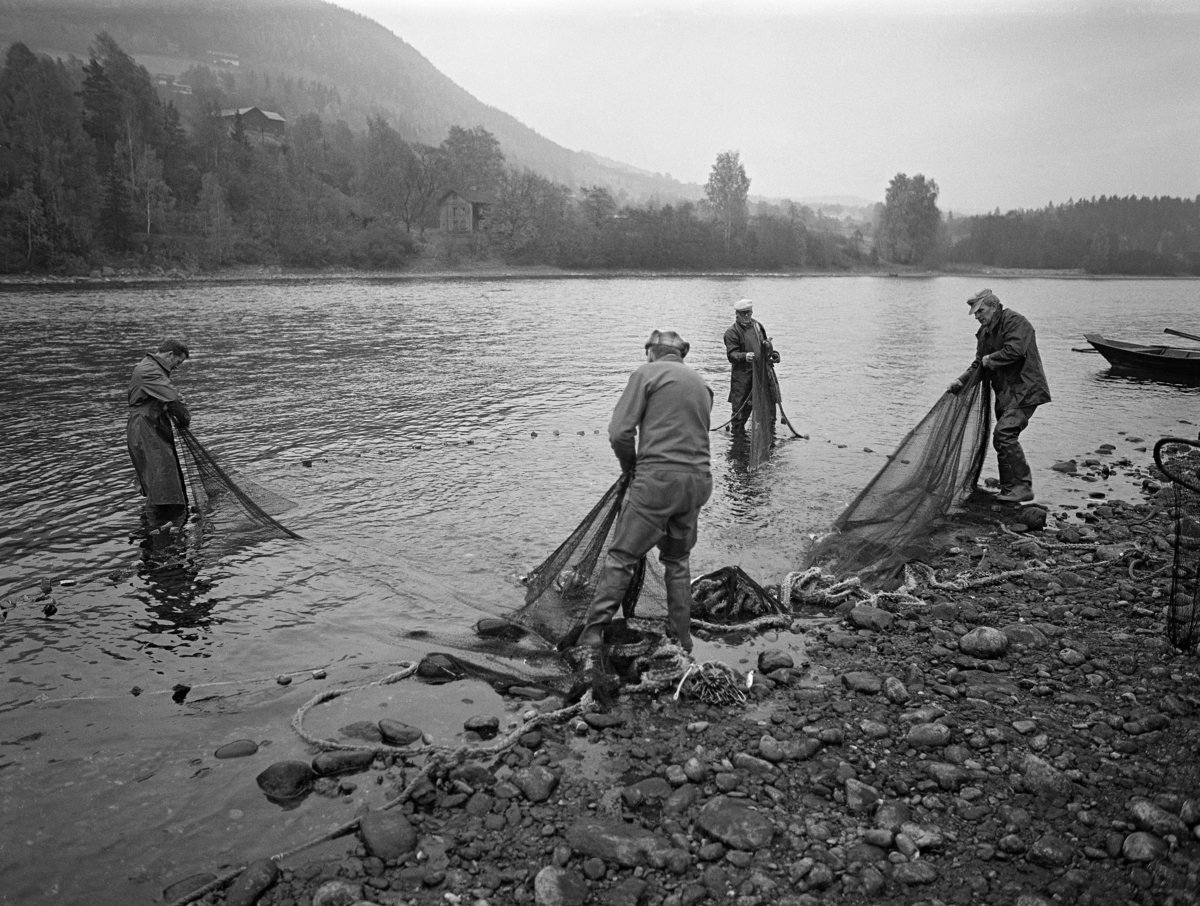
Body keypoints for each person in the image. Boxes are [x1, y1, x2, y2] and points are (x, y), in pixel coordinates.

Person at [573, 329, 713, 665]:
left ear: (651, 352)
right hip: (698, 482)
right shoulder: (702, 384)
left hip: (657, 482)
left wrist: (631, 467)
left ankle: (592, 634)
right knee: (677, 562)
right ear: (682, 354)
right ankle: (682, 638)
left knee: (622, 557)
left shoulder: (646, 373)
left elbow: (620, 432)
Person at [948, 289, 1050, 503]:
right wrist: (961, 382)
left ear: (994, 307)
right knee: (1001, 438)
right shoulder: (984, 332)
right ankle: (1008, 489)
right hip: (1005, 393)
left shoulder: (1014, 321)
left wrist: (989, 359)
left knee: (1004, 434)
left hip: (1026, 389)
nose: (977, 316)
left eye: (980, 311)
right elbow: (979, 364)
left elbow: (1016, 350)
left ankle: (1023, 487)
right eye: (975, 313)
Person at [127, 339, 192, 509]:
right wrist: (185, 418)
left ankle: (163, 520)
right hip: (145, 428)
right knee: (161, 477)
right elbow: (173, 398)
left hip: (152, 425)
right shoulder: (149, 370)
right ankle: (164, 520)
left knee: (164, 475)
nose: (177, 367)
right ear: (170, 354)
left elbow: (168, 396)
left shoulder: (153, 368)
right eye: (178, 362)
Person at [723, 298, 780, 432]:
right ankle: (737, 441)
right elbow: (731, 355)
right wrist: (744, 356)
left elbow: (765, 347)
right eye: (744, 313)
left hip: (763, 375)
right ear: (737, 314)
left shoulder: (758, 326)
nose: (748, 316)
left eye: (749, 312)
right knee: (740, 415)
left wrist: (773, 353)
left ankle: (770, 441)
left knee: (769, 412)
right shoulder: (731, 333)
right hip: (743, 378)